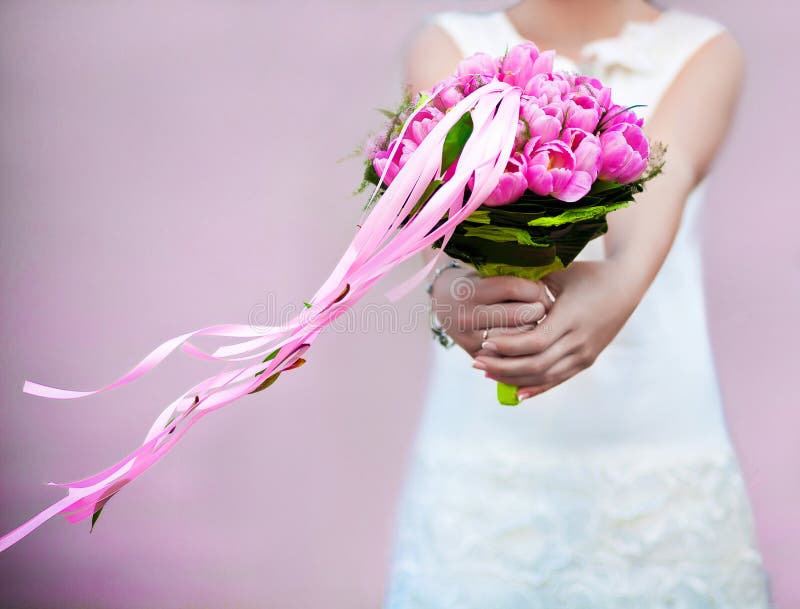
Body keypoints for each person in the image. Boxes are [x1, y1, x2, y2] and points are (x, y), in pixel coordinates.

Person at [383, 1, 772, 607]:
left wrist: (622, 281)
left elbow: (656, 181)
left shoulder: (705, 51)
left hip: (658, 467)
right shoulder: (449, 42)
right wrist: (455, 292)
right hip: (485, 477)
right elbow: (440, 226)